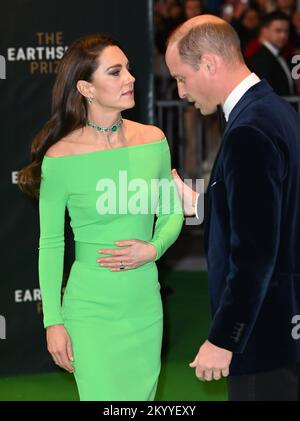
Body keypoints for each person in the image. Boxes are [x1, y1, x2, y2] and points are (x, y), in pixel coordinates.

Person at [18, 34, 183, 401]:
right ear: (85, 87)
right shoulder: (60, 159)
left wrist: (153, 248)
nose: (130, 78)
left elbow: (172, 213)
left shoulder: (153, 140)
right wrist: (53, 322)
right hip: (90, 309)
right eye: (115, 71)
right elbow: (51, 244)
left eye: (128, 68)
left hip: (144, 305)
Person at [166, 15, 300, 400]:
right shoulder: (272, 111)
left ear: (209, 63)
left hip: (262, 338)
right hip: (282, 327)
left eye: (182, 78)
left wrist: (225, 338)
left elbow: (255, 253)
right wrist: (202, 205)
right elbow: (270, 212)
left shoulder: (249, 130)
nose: (180, 92)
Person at [248, 11, 294, 96]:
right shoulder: (260, 60)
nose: (283, 36)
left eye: (286, 31)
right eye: (278, 31)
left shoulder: (281, 56)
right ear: (264, 31)